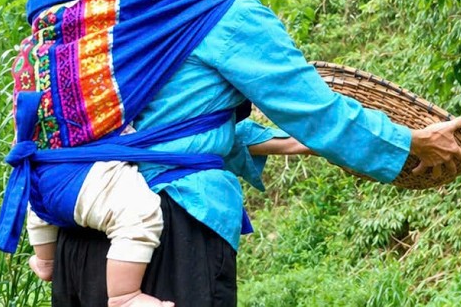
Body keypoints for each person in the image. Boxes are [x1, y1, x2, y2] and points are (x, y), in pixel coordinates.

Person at [0, 0, 461, 307]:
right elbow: (318, 111)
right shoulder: (227, 12)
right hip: (168, 239)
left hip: (84, 240)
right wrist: (409, 143)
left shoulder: (138, 5)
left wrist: (272, 141)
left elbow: (163, 118)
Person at [22, 121, 310, 307]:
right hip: (170, 231)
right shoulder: (162, 39)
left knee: (38, 205)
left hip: (69, 223)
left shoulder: (67, 61)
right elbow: (187, 118)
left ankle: (45, 260)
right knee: (138, 218)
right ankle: (126, 297)